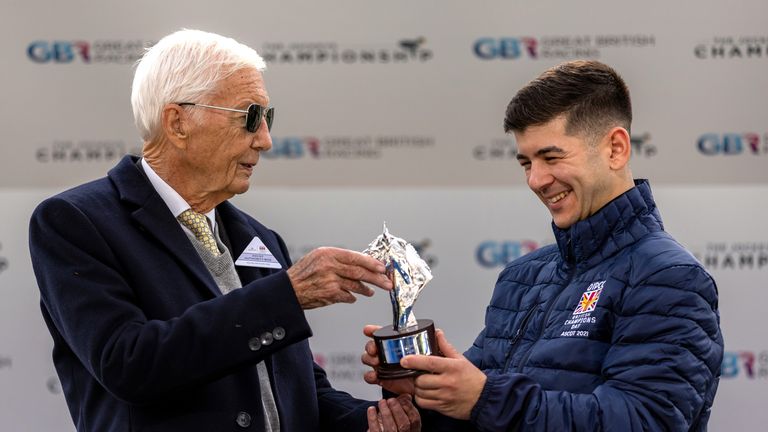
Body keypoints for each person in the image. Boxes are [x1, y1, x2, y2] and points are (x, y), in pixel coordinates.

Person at [29, 29, 420, 432]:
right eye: (250, 117)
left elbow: (295, 392)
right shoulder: (75, 221)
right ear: (178, 122)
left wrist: (371, 423)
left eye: (267, 118)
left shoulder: (260, 238)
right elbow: (129, 364)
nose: (265, 141)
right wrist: (285, 294)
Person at [362, 60, 723, 431]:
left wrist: (487, 398)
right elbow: (480, 414)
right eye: (525, 163)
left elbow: (645, 420)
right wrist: (422, 394)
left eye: (552, 157)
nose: (536, 179)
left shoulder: (669, 277)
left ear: (616, 149)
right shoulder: (521, 277)